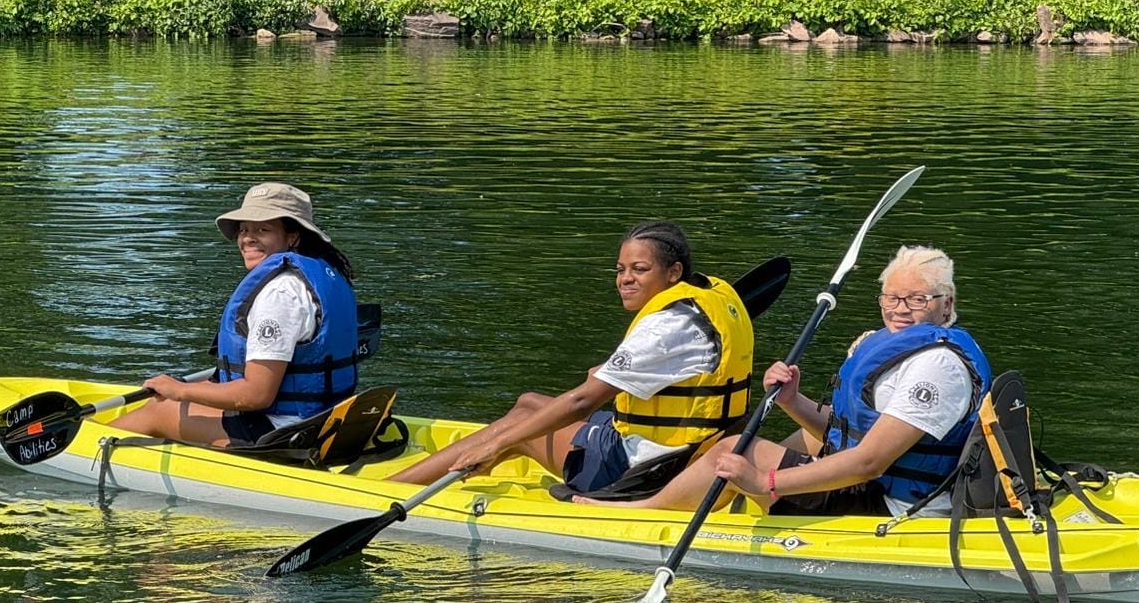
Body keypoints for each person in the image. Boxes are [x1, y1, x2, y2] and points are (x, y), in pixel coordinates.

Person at [579, 245, 990, 515]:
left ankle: (644, 512)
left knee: (736, 449)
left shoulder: (937, 366)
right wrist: (794, 401)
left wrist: (765, 480)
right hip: (877, 484)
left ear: (946, 304)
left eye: (918, 299)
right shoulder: (897, 346)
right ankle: (715, 494)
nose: (900, 309)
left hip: (894, 504)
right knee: (802, 439)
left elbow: (869, 461)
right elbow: (846, 434)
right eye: (891, 298)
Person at [390, 222, 754, 490]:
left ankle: (391, 489)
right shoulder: (707, 302)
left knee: (522, 423)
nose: (625, 279)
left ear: (674, 273)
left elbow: (581, 402)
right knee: (532, 403)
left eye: (639, 270)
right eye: (620, 269)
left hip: (644, 470)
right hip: (695, 455)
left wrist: (494, 444)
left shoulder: (662, 329)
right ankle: (456, 470)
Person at [109, 181, 360, 446]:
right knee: (176, 395)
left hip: (284, 433)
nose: (248, 238)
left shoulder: (279, 294)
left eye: (263, 229)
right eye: (244, 230)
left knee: (159, 409)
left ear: (293, 236)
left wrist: (180, 390)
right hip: (327, 421)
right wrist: (198, 388)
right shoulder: (320, 276)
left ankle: (77, 446)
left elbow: (257, 395)